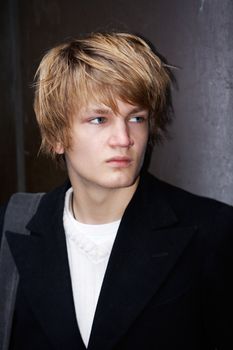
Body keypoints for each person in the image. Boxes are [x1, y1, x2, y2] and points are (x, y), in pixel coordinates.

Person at [0, 32, 233, 350]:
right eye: (99, 119)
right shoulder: (12, 227)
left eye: (136, 118)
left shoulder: (213, 231)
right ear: (57, 136)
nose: (124, 138)